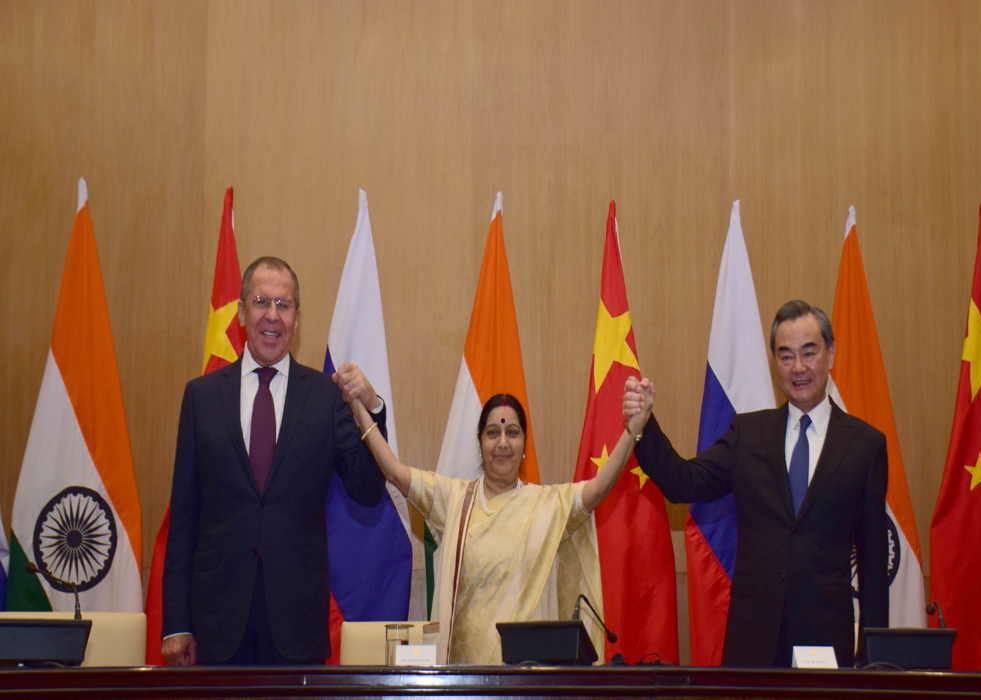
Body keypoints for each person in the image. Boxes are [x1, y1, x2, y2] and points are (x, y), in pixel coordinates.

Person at [622, 299, 888, 668]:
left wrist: (874, 659)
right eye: (785, 356)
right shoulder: (749, 433)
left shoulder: (866, 445)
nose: (798, 368)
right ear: (774, 362)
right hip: (754, 641)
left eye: (809, 353)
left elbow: (874, 560)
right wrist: (644, 425)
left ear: (831, 354)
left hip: (827, 642)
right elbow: (684, 483)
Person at [162, 256, 387, 665]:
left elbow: (368, 490)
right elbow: (184, 516)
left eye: (283, 305)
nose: (272, 315)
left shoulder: (324, 396)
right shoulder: (201, 397)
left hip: (296, 623)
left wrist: (373, 407)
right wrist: (177, 623)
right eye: (262, 301)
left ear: (297, 318)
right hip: (216, 621)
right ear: (243, 312)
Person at [334, 382, 632, 665]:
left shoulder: (548, 505)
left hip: (528, 683)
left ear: (524, 445)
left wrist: (633, 430)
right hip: (467, 679)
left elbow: (598, 488)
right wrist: (360, 410)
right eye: (492, 433)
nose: (502, 442)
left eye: (512, 432)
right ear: (480, 443)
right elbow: (395, 473)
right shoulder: (454, 501)